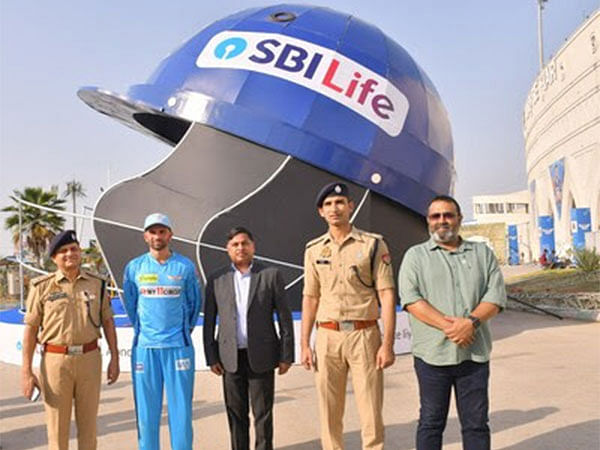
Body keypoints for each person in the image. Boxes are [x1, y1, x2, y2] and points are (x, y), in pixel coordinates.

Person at [398, 195, 507, 450]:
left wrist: (471, 323)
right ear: (428, 221)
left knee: (476, 423)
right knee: (431, 422)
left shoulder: (482, 253)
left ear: (459, 219)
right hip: (432, 357)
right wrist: (452, 327)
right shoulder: (415, 257)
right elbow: (412, 300)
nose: (442, 221)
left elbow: (495, 295)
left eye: (448, 215)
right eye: (436, 216)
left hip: (474, 355)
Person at [301, 182, 396, 450]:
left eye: (340, 203)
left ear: (351, 206)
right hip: (328, 336)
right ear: (321, 212)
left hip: (364, 335)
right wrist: (304, 344)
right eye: (328, 204)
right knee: (329, 410)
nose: (335, 208)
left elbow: (387, 295)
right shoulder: (314, 249)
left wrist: (387, 345)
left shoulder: (373, 244)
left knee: (370, 410)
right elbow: (310, 298)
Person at [21, 230, 119, 450]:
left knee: (89, 428)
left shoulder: (97, 284)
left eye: (74, 249)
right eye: (63, 251)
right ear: (54, 257)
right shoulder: (42, 286)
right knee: (57, 430)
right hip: (56, 362)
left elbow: (108, 322)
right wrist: (26, 371)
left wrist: (115, 357)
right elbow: (30, 329)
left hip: (89, 359)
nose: (69, 254)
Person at [203, 227, 294, 450]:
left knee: (263, 414)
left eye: (245, 243)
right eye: (235, 244)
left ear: (253, 246)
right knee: (236, 414)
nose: (240, 248)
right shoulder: (217, 279)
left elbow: (284, 318)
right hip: (229, 358)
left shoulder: (270, 275)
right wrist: (211, 356)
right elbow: (209, 322)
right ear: (227, 249)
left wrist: (286, 355)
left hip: (262, 356)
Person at [122, 213, 201, 450]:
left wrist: (180, 332)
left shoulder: (185, 266)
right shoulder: (134, 267)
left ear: (170, 234)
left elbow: (194, 304)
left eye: (162, 231)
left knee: (182, 414)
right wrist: (146, 331)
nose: (157, 236)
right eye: (153, 232)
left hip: (178, 348)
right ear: (145, 236)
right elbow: (131, 304)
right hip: (146, 349)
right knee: (146, 416)